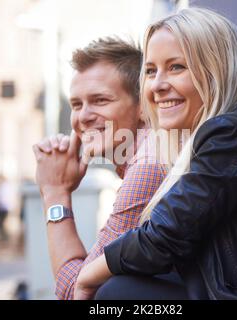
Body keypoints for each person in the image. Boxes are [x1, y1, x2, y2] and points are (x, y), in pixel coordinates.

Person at [73, 8, 237, 300]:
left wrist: (86, 276)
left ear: (216, 70)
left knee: (116, 294)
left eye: (176, 67)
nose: (158, 85)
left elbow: (163, 237)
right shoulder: (214, 136)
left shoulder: (228, 133)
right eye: (151, 71)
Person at [32, 37, 176, 300]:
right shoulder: (146, 154)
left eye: (100, 100)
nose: (83, 117)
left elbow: (73, 290)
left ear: (144, 107)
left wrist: (54, 192)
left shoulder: (150, 162)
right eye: (76, 104)